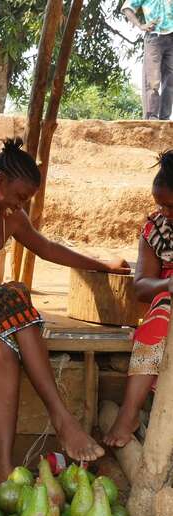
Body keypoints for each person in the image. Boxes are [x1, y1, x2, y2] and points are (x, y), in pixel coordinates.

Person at [0, 138, 130, 483]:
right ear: (0, 182)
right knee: (15, 293)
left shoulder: (12, 219)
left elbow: (47, 248)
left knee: (3, 350)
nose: (21, 206)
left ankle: (2, 468)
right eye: (19, 196)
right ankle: (62, 418)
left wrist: (102, 264)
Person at [104, 151, 173, 448]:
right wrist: (170, 283)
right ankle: (129, 414)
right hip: (167, 303)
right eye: (159, 203)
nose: (163, 211)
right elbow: (142, 285)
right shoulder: (155, 229)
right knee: (161, 314)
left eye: (170, 204)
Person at [122, 0, 173, 120]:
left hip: (171, 38)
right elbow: (127, 8)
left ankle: (165, 118)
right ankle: (151, 117)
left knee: (170, 80)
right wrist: (141, 25)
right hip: (154, 37)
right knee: (152, 80)